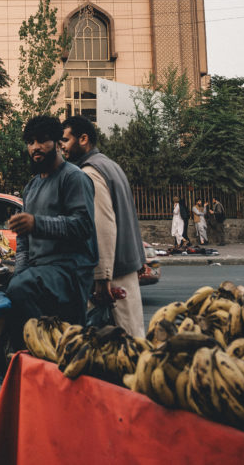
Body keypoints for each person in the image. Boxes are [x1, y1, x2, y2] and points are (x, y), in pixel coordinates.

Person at [5, 115, 96, 346]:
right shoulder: (31, 187)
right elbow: (24, 243)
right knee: (12, 289)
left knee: (22, 288)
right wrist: (19, 274)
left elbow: (83, 225)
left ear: (57, 143)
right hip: (40, 272)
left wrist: (37, 223)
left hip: (69, 272)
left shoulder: (74, 177)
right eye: (31, 142)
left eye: (42, 141)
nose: (35, 147)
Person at [60, 116, 145, 336]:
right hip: (127, 266)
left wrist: (102, 277)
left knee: (119, 344)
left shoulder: (90, 173)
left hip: (113, 274)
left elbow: (103, 225)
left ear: (83, 139)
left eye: (66, 140)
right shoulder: (111, 165)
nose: (62, 147)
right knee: (133, 336)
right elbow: (128, 215)